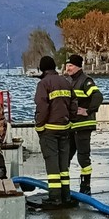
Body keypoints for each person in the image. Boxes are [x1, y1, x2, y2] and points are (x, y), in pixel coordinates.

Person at [35, 56, 78, 208]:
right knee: (63, 165)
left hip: (50, 130)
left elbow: (42, 107)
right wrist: (70, 120)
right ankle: (66, 195)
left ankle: (55, 197)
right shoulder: (66, 82)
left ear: (42, 68)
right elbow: (74, 104)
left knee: (52, 164)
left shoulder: (43, 84)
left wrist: (39, 126)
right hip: (65, 128)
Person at [65, 54, 103, 196]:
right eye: (67, 65)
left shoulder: (85, 81)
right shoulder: (69, 81)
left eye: (70, 66)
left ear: (78, 66)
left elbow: (98, 96)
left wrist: (88, 111)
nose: (67, 68)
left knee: (83, 157)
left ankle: (85, 186)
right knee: (66, 155)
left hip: (83, 125)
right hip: (72, 125)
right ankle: (65, 185)